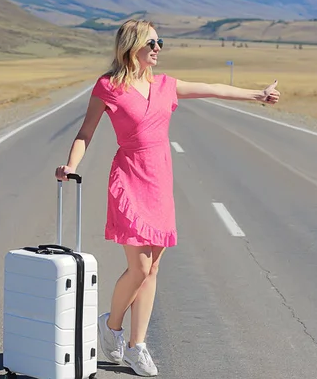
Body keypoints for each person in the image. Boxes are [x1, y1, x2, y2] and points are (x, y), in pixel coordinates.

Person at [55, 19, 280, 376]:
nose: (158, 49)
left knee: (154, 267)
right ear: (132, 47)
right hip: (129, 176)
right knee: (139, 266)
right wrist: (70, 164)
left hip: (160, 179)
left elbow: (213, 88)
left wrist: (257, 94)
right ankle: (111, 326)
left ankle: (136, 345)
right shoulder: (108, 86)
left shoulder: (165, 85)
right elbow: (86, 132)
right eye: (152, 43)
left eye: (161, 43)